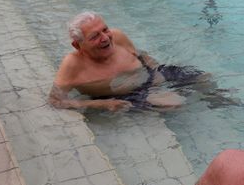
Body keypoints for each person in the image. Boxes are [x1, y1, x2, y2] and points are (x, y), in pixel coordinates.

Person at [49, 12, 206, 112]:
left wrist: (158, 70)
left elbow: (139, 54)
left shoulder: (117, 36)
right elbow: (55, 101)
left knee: (203, 78)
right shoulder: (72, 64)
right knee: (174, 103)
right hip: (128, 93)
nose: (105, 38)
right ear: (77, 45)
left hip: (150, 73)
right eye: (95, 36)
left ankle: (220, 102)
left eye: (105, 29)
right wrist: (100, 105)